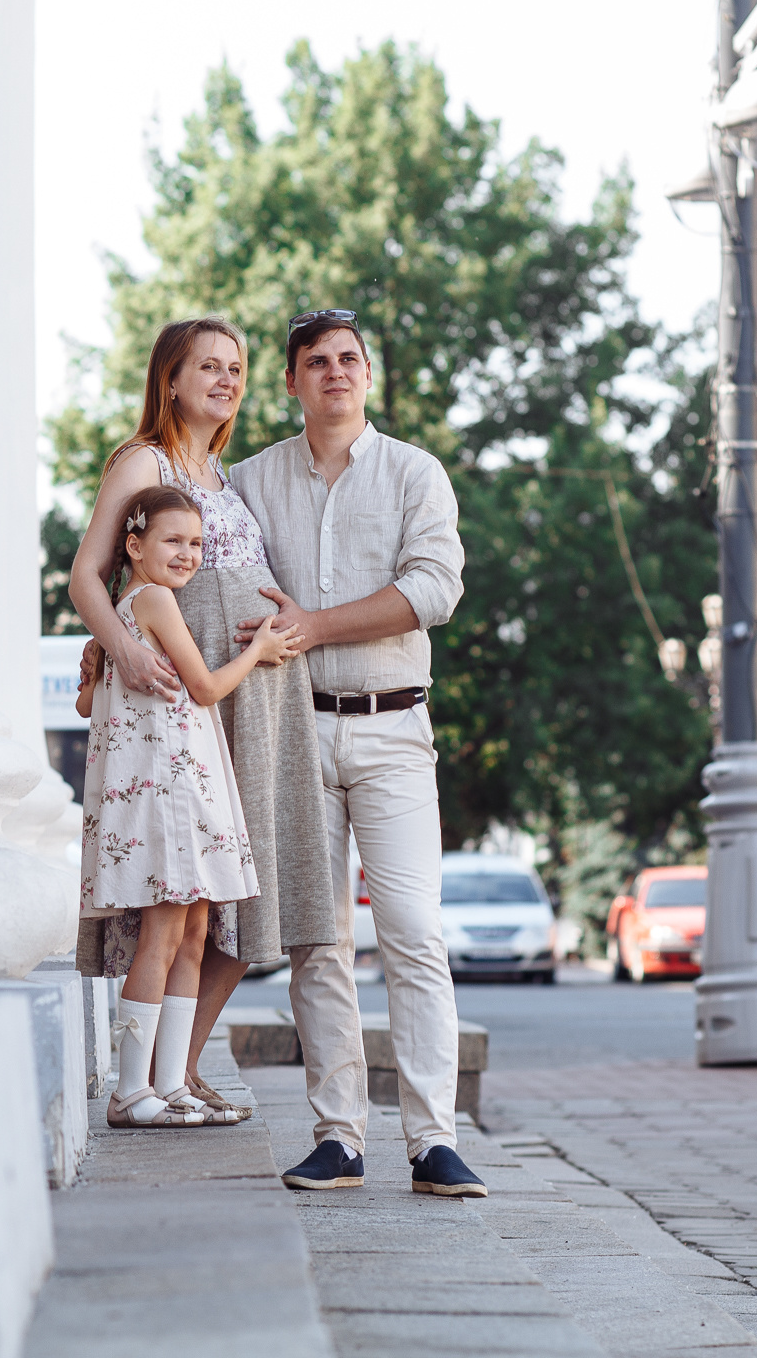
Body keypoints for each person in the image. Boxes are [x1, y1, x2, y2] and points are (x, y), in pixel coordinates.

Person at [226, 308, 486, 1196]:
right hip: (294, 729)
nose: (334, 372)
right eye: (316, 361)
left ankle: (433, 1141)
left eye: (348, 358)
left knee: (412, 931)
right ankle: (338, 1137)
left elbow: (435, 590)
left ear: (367, 375)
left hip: (394, 729)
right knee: (319, 941)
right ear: (292, 382)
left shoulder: (415, 473)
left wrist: (314, 625)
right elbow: (207, 573)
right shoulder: (251, 480)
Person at [67, 318, 336, 1126]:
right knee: (184, 891)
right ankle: (151, 1079)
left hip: (253, 693)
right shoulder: (143, 462)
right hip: (186, 696)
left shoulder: (222, 474)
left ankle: (175, 1073)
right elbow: (90, 574)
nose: (226, 380)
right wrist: (119, 646)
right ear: (171, 380)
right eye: (209, 367)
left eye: (236, 368)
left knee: (241, 885)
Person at [78, 484, 295, 1127]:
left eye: (197, 543)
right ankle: (130, 1090)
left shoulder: (124, 613)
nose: (187, 553)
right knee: (165, 933)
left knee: (194, 931)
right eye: (172, 540)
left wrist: (94, 674)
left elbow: (88, 704)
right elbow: (204, 687)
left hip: (186, 783)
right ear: (134, 544)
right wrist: (258, 651)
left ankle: (171, 1084)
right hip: (168, 792)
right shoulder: (152, 599)